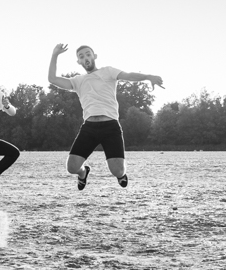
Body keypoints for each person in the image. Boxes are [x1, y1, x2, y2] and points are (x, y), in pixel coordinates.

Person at [48, 43, 164, 189]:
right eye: (81, 56)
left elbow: (128, 76)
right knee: (71, 167)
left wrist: (148, 77)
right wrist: (55, 55)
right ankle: (83, 173)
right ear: (79, 61)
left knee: (117, 170)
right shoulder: (78, 81)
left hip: (110, 127)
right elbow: (52, 79)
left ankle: (121, 175)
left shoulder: (108, 71)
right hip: (89, 128)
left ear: (94, 56)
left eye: (88, 54)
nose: (86, 58)